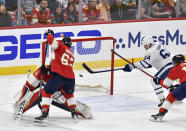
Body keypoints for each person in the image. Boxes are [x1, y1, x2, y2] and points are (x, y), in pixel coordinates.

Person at [13, 63, 92, 120]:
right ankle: (22, 106)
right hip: (42, 92)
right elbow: (28, 86)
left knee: (85, 111)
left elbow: (68, 94)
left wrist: (72, 108)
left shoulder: (64, 75)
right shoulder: (41, 71)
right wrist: (22, 99)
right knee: (37, 92)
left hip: (57, 95)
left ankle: (79, 109)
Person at [34, 29, 77, 121]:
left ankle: (45, 111)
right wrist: (49, 68)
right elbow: (60, 63)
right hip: (71, 79)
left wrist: (49, 34)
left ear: (63, 42)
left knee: (47, 92)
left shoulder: (61, 46)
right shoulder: (72, 54)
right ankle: (73, 111)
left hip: (60, 77)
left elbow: (51, 41)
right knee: (69, 94)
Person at [123, 35, 174, 107]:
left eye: (146, 45)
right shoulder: (158, 43)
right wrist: (150, 63)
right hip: (173, 63)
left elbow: (144, 64)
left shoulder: (150, 51)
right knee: (165, 79)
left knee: (154, 81)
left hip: (167, 67)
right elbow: (156, 57)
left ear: (150, 43)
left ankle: (162, 100)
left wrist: (131, 66)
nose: (144, 47)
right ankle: (174, 92)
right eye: (144, 45)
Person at [150, 54, 186, 121]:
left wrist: (159, 80)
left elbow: (166, 84)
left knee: (172, 95)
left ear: (174, 62)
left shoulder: (175, 69)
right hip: (184, 85)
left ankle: (160, 114)